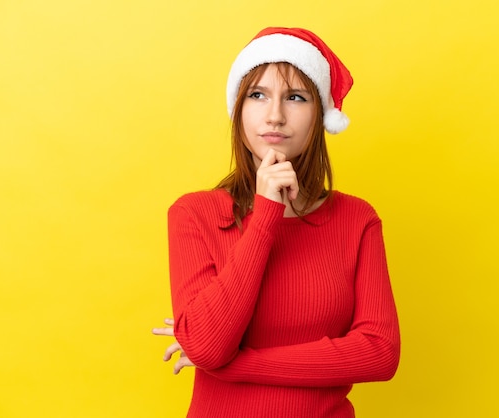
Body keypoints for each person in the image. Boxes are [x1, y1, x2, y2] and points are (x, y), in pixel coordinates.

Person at [152, 26, 400, 418]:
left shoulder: (357, 220)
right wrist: (266, 214)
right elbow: (208, 345)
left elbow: (379, 353)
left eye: (295, 97)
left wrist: (237, 366)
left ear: (320, 115)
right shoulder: (194, 215)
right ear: (238, 108)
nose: (275, 115)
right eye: (258, 95)